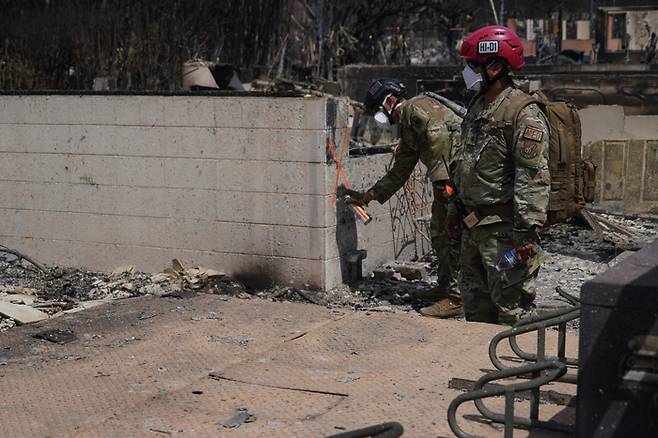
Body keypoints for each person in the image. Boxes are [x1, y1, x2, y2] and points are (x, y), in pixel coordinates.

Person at [447, 25, 550, 325]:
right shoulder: (478, 105)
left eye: (472, 65)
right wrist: (455, 211)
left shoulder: (523, 112)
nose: (468, 71)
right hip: (474, 229)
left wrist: (526, 234)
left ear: (495, 66)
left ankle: (516, 370)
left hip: (505, 236)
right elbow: (463, 164)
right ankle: (481, 369)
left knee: (512, 310)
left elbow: (532, 177)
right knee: (476, 313)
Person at [345, 78, 462, 317]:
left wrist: (442, 184)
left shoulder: (417, 110)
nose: (383, 120)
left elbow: (439, 141)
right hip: (449, 182)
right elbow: (400, 170)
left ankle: (458, 297)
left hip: (459, 180)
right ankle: (445, 286)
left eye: (380, 112)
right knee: (439, 232)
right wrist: (369, 196)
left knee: (454, 235)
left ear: (389, 101)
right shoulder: (408, 126)